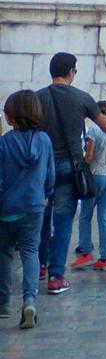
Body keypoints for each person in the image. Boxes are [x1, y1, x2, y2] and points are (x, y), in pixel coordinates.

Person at [35, 52, 106, 295]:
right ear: (71, 71)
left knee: (42, 218)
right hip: (70, 167)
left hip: (43, 167)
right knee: (64, 220)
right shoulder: (82, 98)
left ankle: (39, 266)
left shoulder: (37, 98)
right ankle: (57, 277)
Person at [0, 91, 54, 329]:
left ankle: (2, 303)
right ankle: (29, 300)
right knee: (31, 251)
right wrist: (45, 195)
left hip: (7, 207)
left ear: (11, 116)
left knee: (4, 252)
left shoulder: (4, 143)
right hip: (34, 206)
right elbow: (51, 176)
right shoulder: (44, 140)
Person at [71, 101, 106, 272]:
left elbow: (90, 155)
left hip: (96, 175)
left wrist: (82, 164)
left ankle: (85, 252)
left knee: (86, 214)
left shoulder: (94, 130)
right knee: (105, 218)